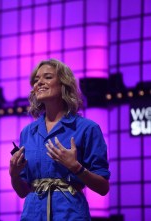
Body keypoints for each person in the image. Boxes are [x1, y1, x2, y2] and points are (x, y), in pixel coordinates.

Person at [9, 59, 110, 221]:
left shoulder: (87, 128)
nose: (40, 82)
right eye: (36, 80)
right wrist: (14, 175)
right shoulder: (28, 132)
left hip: (70, 215)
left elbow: (103, 187)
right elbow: (23, 192)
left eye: (47, 77)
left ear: (64, 84)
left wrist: (76, 168)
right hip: (32, 216)